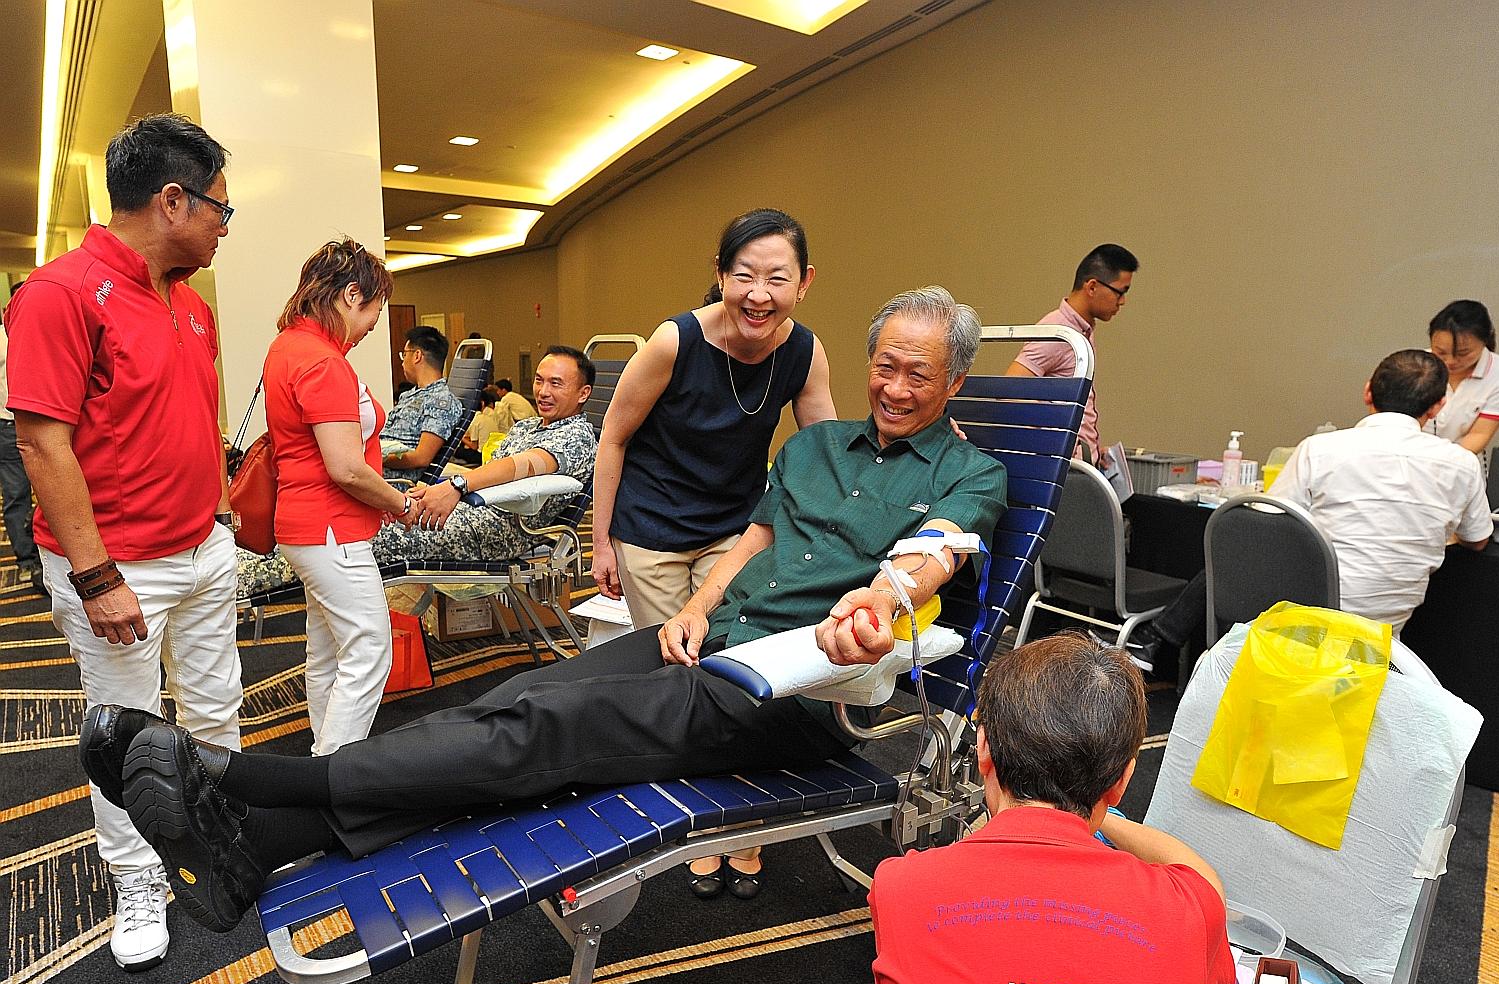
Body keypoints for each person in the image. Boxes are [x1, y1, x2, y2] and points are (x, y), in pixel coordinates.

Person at [85, 286, 1006, 937]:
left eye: (918, 376)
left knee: (540, 731)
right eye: (885, 366)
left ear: (955, 383)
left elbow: (929, 559)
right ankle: (258, 849)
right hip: (711, 642)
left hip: (795, 688)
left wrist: (880, 602)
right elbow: (755, 541)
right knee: (515, 700)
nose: (895, 388)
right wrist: (697, 607)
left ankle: (247, 783)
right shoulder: (817, 448)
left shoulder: (971, 474)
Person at [7, 113, 243, 972]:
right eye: (220, 208)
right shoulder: (60, 293)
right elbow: (42, 444)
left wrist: (220, 512)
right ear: (173, 201)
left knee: (216, 709)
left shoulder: (191, 304)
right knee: (127, 737)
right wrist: (97, 576)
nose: (224, 226)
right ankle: (136, 881)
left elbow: (196, 419)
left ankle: (223, 839)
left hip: (202, 550)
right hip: (119, 567)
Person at [589, 207, 836, 898]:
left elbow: (825, 452)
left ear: (804, 283)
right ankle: (698, 822)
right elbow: (613, 438)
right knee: (677, 676)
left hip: (735, 529)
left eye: (777, 279)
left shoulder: (804, 352)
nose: (759, 294)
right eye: (744, 275)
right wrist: (601, 541)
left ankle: (740, 823)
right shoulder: (674, 342)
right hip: (651, 532)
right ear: (721, 275)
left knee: (739, 671)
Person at [868, 632, 1234, 984]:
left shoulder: (900, 886)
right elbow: (1201, 876)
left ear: (984, 748)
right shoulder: (1190, 910)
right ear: (1123, 780)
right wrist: (1097, 815)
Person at [1126, 350, 1494, 668]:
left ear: (1368, 391)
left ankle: (1163, 640)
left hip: (1307, 619)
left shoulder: (1322, 449)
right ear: (1437, 406)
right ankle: (1160, 638)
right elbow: (1478, 539)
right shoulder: (1461, 464)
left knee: (1239, 550)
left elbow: (1266, 520)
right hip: (1384, 636)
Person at [237, 347, 598, 597]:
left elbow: (524, 466)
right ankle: (253, 557)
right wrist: (434, 492)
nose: (542, 391)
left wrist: (455, 486)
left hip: (502, 531)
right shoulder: (529, 425)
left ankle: (247, 577)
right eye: (539, 380)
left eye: (556, 384)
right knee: (361, 514)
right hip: (468, 509)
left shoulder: (577, 436)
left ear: (583, 393)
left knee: (362, 536)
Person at [261, 238, 423, 757]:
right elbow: (347, 468)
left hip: (305, 526)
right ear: (353, 295)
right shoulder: (322, 361)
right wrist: (400, 504)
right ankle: (334, 772)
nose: (374, 324)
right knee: (370, 648)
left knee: (328, 650)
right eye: (375, 309)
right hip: (333, 528)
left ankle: (324, 759)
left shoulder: (288, 346)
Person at [1005, 243, 1139, 466]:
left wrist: (1093, 451)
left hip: (1082, 465)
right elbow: (1011, 390)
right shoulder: (1058, 331)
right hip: (1063, 468)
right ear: (1092, 287)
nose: (1122, 301)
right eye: (1120, 292)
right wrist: (1057, 442)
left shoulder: (1082, 329)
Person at [1423, 299, 1499, 455]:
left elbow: (1479, 434)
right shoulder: (1416, 364)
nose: (1450, 361)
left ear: (1484, 341)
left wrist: (1443, 463)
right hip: (1410, 461)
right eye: (1441, 352)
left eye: (1463, 353)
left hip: (1461, 461)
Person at [0, 285, 43, 589]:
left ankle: (50, 554)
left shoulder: (43, 332)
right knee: (17, 494)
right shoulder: (2, 337)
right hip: (8, 426)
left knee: (58, 490)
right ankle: (27, 561)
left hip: (48, 426)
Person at [380, 325, 463, 477]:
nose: (402, 362)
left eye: (404, 354)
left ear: (417, 356)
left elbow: (421, 458)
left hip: (394, 481)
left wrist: (375, 458)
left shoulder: (441, 401)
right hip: (376, 471)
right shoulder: (409, 395)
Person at [463, 386, 502, 456]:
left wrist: (461, 438)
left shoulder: (475, 419)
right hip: (494, 450)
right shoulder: (487, 416)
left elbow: (474, 446)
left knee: (459, 451)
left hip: (482, 454)